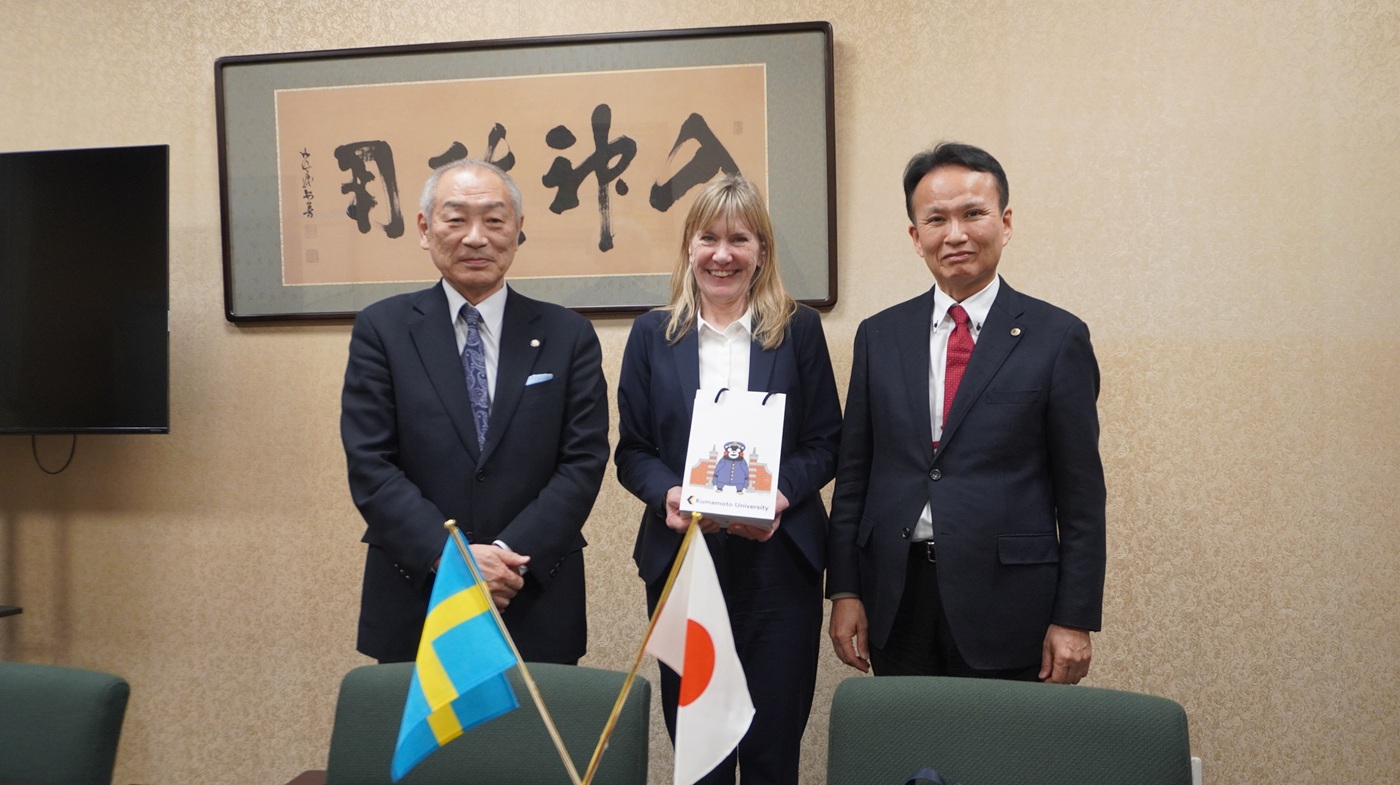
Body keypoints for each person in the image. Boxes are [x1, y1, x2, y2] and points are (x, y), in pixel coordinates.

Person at [826, 143, 1106, 684]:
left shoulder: (1057, 338)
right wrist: (844, 589)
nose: (955, 234)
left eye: (973, 213)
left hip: (1010, 603)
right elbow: (854, 475)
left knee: (996, 740)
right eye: (936, 219)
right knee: (905, 738)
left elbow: (1081, 497)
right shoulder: (879, 336)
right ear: (916, 237)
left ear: (1005, 223)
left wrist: (1074, 617)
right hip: (896, 598)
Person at [616, 174, 842, 784]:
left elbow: (826, 442)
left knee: (772, 748)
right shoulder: (650, 335)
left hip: (780, 563)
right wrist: (668, 492)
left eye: (739, 239)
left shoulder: (798, 329)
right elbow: (632, 451)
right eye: (708, 238)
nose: (723, 254)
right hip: (684, 564)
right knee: (701, 751)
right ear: (689, 247)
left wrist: (779, 495)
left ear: (761, 251)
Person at [341, 159, 609, 664]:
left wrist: (505, 558)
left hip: (531, 593)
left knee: (537, 720)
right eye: (456, 219)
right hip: (418, 593)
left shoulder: (568, 335)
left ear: (518, 229)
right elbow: (371, 464)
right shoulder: (383, 330)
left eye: (494, 219)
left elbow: (583, 461)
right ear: (425, 229)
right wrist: (455, 561)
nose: (475, 237)